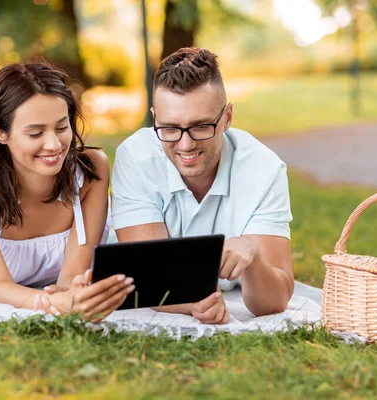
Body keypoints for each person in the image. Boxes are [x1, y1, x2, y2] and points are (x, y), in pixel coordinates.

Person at [111, 47, 294, 324]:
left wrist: (254, 255)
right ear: (155, 118)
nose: (186, 145)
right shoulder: (135, 158)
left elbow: (274, 302)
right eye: (170, 128)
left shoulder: (265, 170)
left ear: (228, 117)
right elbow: (147, 277)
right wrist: (192, 302)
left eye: (201, 126)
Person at [0, 61, 134, 321]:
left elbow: (70, 280)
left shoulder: (91, 171)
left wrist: (70, 296)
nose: (54, 144)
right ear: (0, 131)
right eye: (35, 133)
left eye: (61, 127)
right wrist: (53, 302)